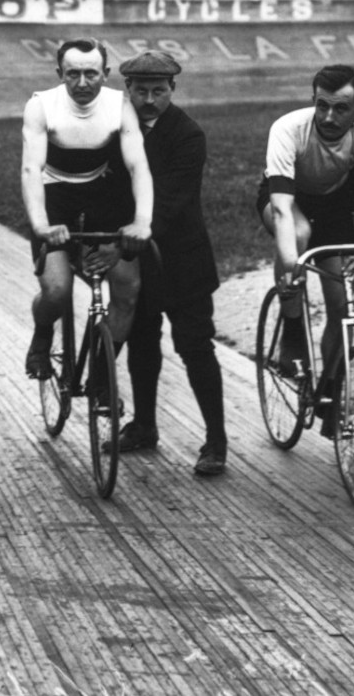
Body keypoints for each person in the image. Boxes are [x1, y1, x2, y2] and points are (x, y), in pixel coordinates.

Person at [259, 64, 354, 399]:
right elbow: (281, 209)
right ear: (313, 101)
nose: (328, 117)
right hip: (287, 198)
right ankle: (293, 332)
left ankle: (326, 388)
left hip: (332, 207)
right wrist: (291, 265)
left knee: (343, 306)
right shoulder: (288, 128)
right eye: (321, 105)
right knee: (297, 234)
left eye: (340, 108)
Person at [111, 51, 227, 477]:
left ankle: (216, 441)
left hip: (182, 258)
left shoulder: (187, 134)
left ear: (172, 91)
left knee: (196, 347)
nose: (148, 100)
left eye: (158, 92)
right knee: (142, 342)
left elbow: (175, 200)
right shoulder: (115, 128)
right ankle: (144, 426)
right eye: (140, 91)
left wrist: (132, 237)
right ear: (128, 90)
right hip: (136, 256)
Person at [21, 38, 153, 407]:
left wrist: (142, 220)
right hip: (53, 194)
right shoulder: (41, 105)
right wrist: (41, 225)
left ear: (105, 74)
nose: (82, 83)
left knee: (127, 289)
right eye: (73, 74)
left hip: (101, 194)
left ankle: (100, 375)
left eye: (91, 74)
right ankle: (43, 331)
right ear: (59, 73)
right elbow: (31, 169)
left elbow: (137, 165)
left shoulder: (119, 105)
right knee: (58, 291)